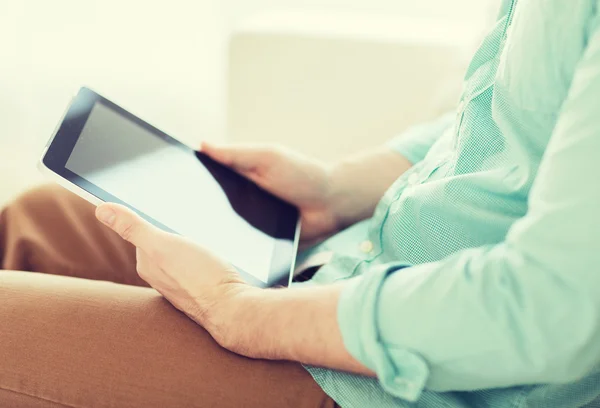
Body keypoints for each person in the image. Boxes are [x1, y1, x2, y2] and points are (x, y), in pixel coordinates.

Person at [2, 0, 600, 407]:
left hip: (414, 380)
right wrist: (339, 188)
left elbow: (551, 309)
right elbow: (503, 121)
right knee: (39, 221)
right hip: (362, 260)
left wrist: (236, 311)